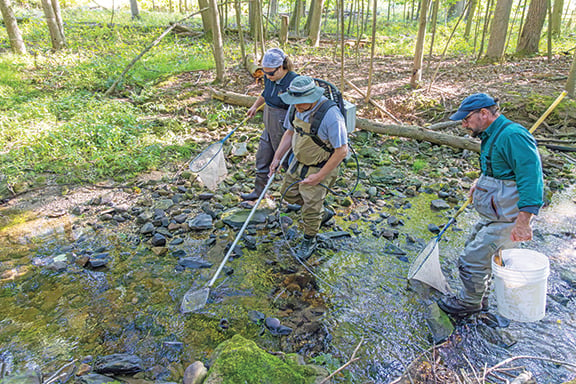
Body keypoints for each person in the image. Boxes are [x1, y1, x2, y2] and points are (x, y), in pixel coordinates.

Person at [438, 93, 544, 316]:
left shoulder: (514, 136)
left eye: (466, 119)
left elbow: (531, 178)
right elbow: (499, 169)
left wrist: (524, 222)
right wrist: (481, 182)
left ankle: (470, 304)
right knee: (473, 251)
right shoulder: (491, 135)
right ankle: (480, 299)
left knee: (471, 260)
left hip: (508, 218)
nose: (464, 124)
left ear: (484, 114)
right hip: (494, 215)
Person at [269, 76, 348, 260]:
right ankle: (322, 212)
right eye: (293, 101)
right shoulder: (295, 106)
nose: (295, 106)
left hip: (321, 165)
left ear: (312, 97)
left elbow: (342, 151)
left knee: (310, 208)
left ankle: (309, 239)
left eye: (299, 103)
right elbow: (290, 132)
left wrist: (320, 176)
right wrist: (277, 157)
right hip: (298, 161)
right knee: (289, 194)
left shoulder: (332, 116)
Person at [241, 48, 299, 201]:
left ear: (282, 67)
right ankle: (259, 191)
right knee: (262, 157)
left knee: (287, 163)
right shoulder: (269, 77)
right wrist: (255, 106)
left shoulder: (294, 81)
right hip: (269, 121)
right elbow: (266, 93)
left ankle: (298, 199)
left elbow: (301, 108)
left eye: (271, 73)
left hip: (286, 125)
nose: (267, 76)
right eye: (265, 72)